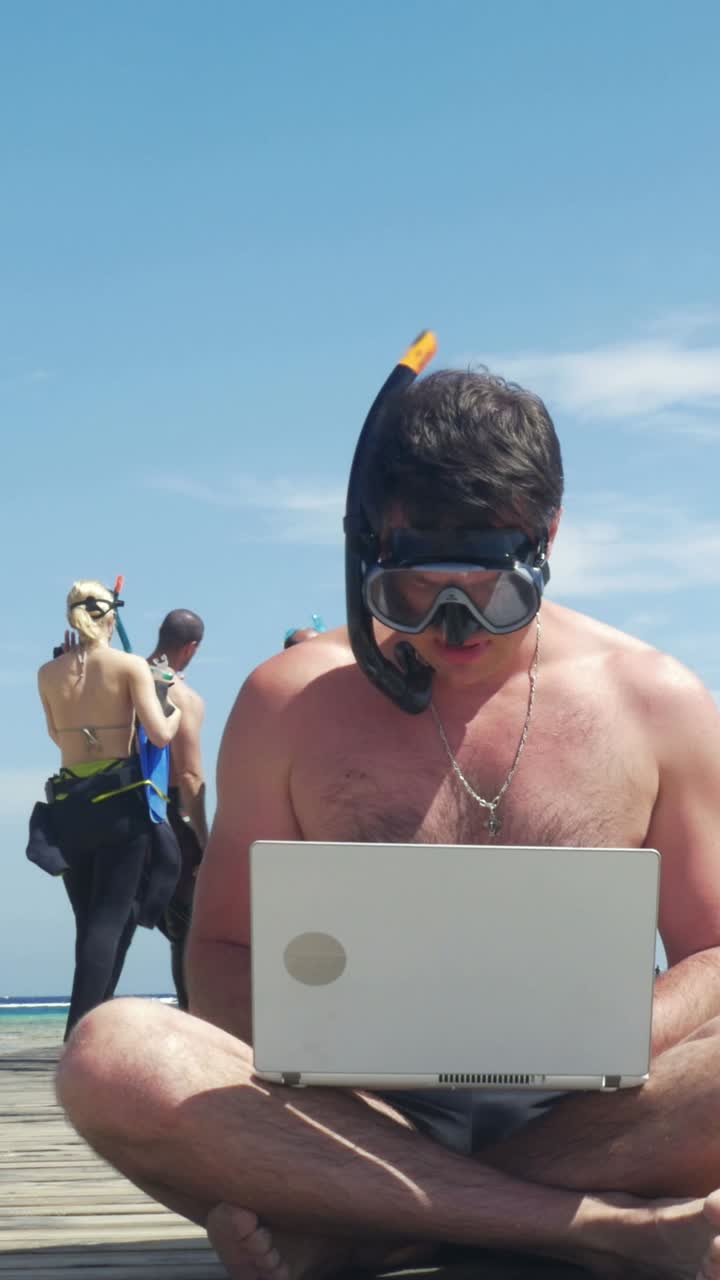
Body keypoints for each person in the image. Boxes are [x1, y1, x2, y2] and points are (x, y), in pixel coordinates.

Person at [56, 368, 720, 1280]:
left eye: (491, 594)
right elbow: (221, 954)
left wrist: (631, 1030)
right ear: (368, 551)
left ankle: (381, 1219)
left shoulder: (659, 701)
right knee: (111, 1055)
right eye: (412, 593)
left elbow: (714, 954)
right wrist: (326, 1071)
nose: (454, 629)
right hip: (355, 1113)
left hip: (597, 1115)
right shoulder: (290, 701)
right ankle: (579, 1224)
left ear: (549, 538)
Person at [36, 581, 182, 1038]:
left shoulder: (47, 673)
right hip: (118, 803)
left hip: (69, 805)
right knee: (109, 918)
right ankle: (80, 1032)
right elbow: (159, 734)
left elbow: (58, 738)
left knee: (90, 923)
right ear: (111, 618)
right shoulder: (129, 665)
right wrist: (170, 698)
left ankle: (93, 1022)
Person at [148, 609, 207, 1010]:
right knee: (186, 922)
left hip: (121, 807)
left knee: (111, 923)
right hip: (169, 813)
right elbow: (188, 774)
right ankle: (191, 1010)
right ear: (191, 648)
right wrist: (205, 838)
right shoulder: (184, 697)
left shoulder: (125, 677)